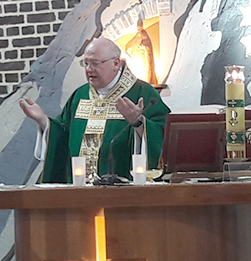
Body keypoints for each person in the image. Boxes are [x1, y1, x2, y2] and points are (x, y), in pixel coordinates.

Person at [19, 37, 168, 182]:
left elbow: (165, 136)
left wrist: (139, 123)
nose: (89, 69)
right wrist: (43, 120)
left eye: (95, 63)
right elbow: (62, 136)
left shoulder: (142, 93)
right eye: (86, 63)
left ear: (116, 63)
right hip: (79, 190)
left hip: (122, 192)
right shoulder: (80, 95)